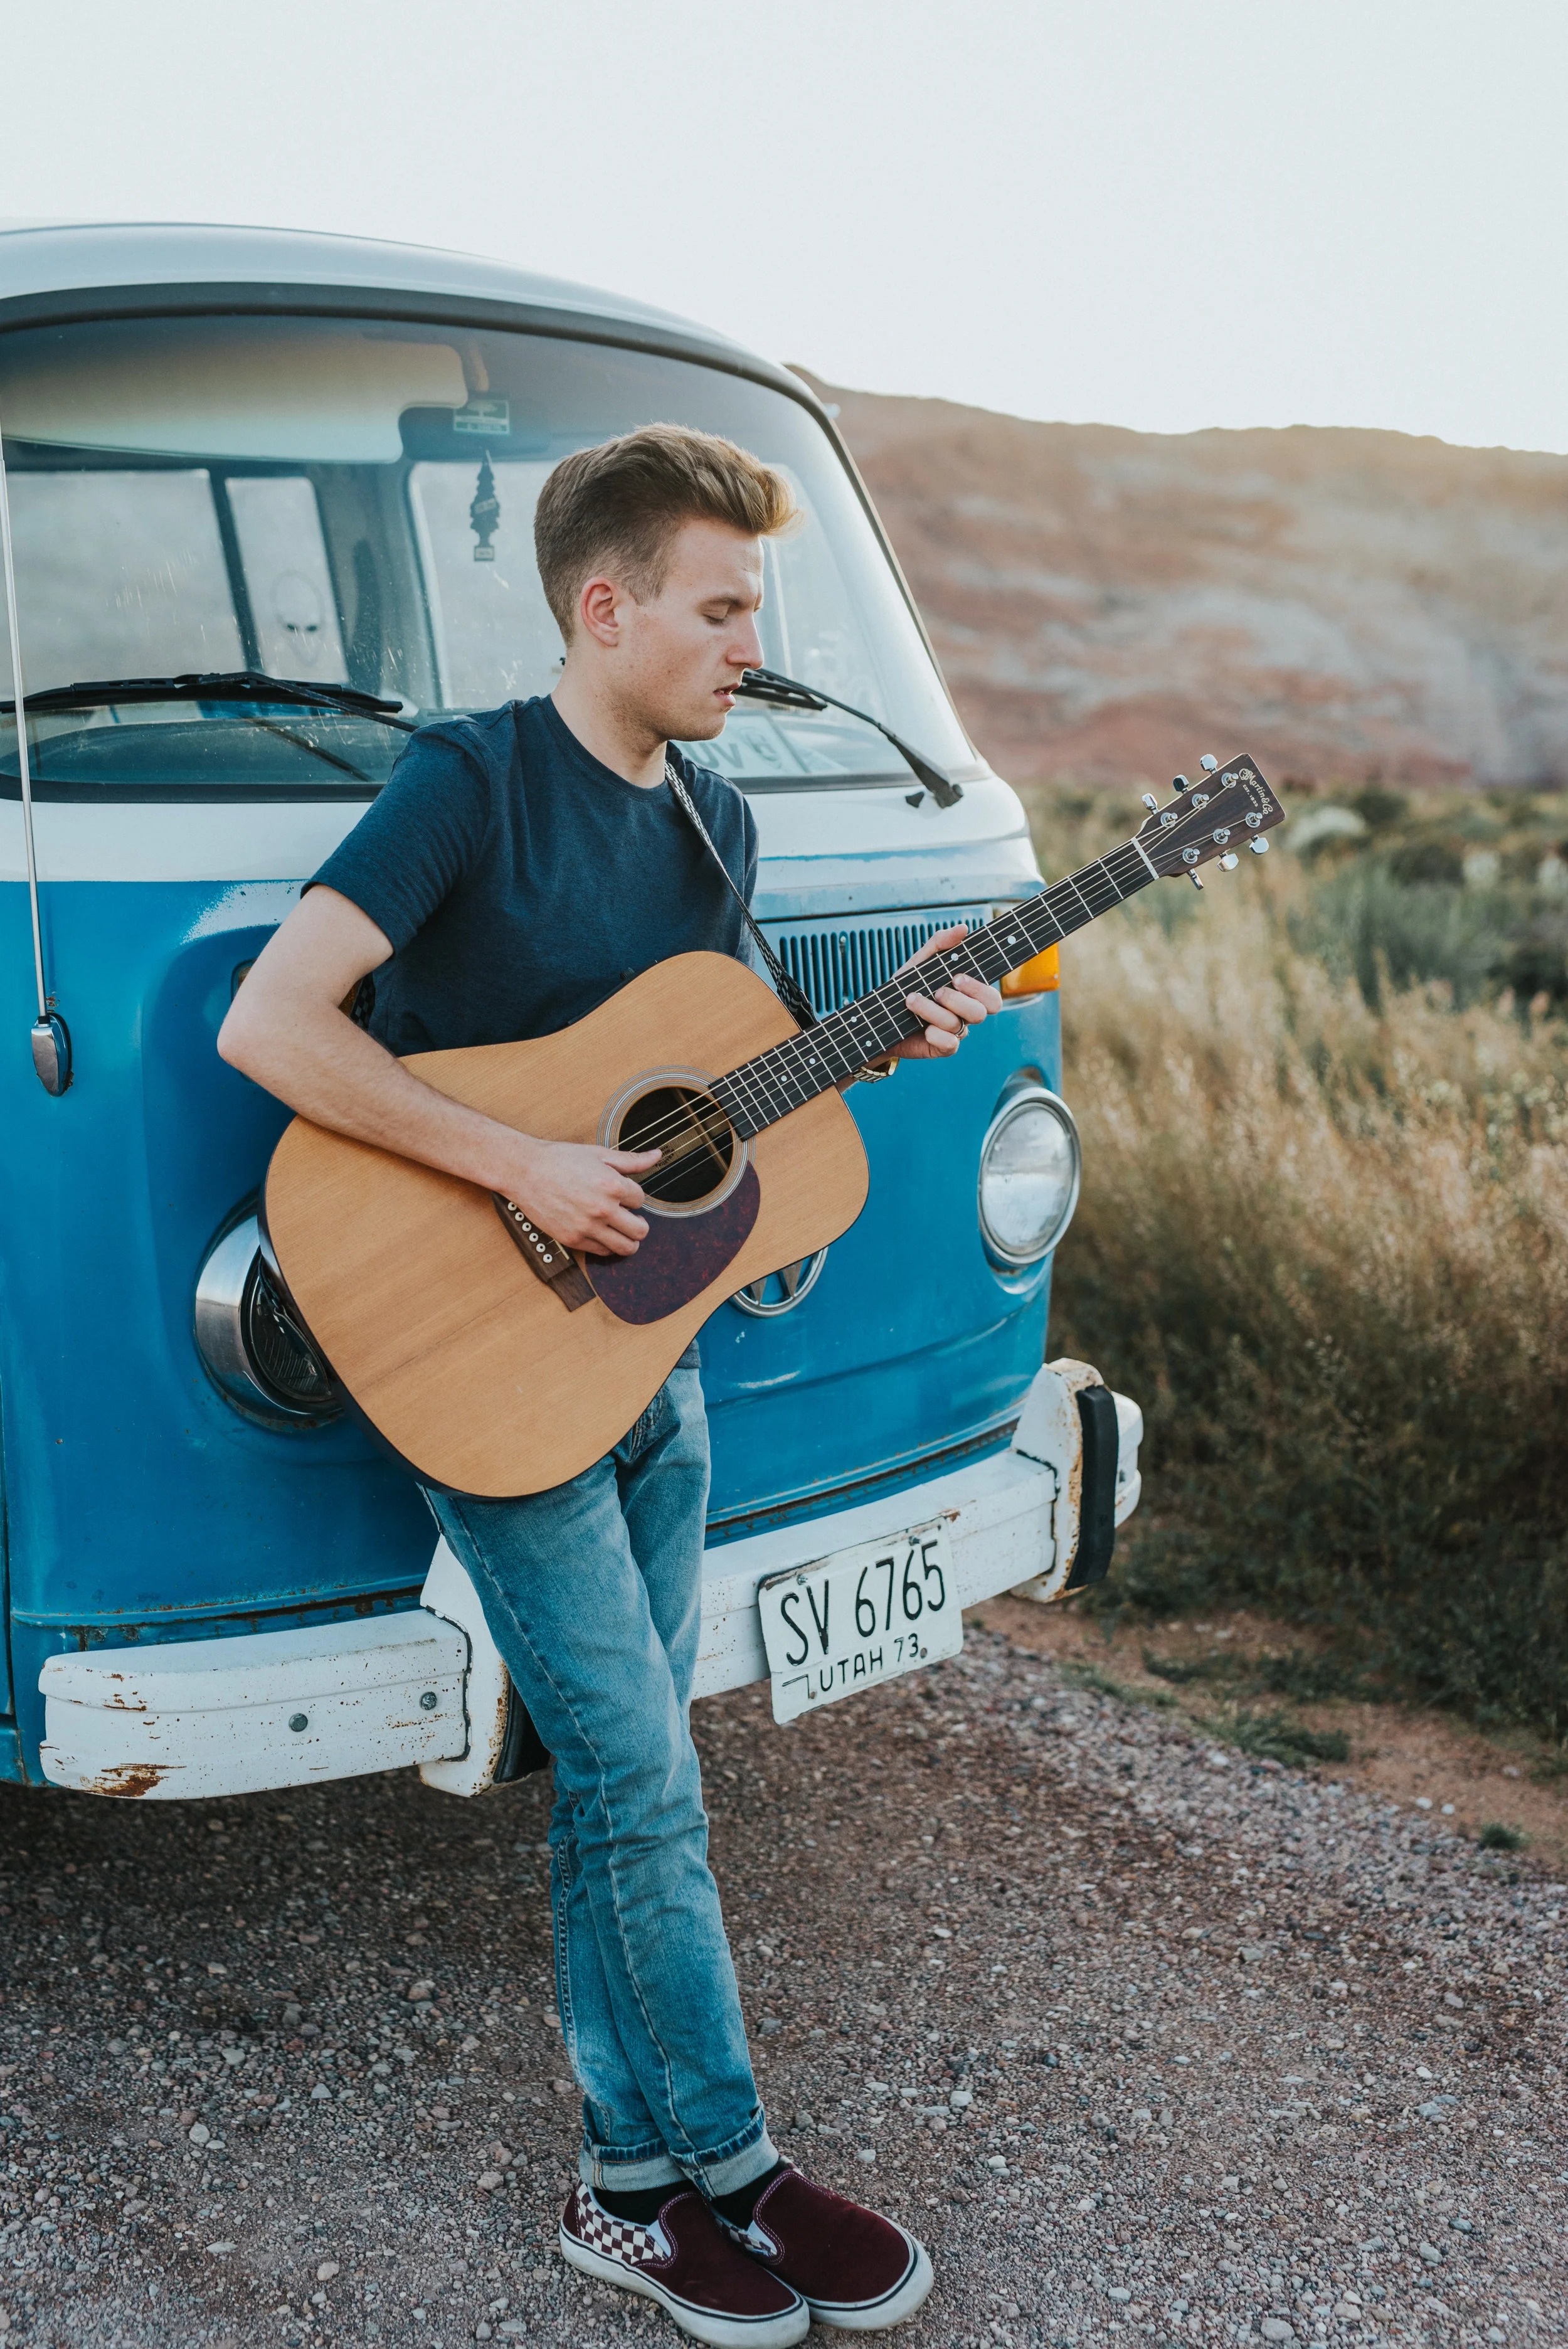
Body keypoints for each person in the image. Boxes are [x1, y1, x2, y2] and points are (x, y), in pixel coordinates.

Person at [219, 424, 1001, 2346]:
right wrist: (518, 1165)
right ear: (605, 607)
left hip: (645, 1363)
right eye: (721, 609)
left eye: (757, 610)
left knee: (620, 1782)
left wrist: (883, 1039)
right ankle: (733, 2164)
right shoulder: (467, 784)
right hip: (481, 1362)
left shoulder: (713, 826)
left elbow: (717, 1079)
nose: (751, 646)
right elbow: (271, 1024)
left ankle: (626, 2190)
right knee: (645, 1771)